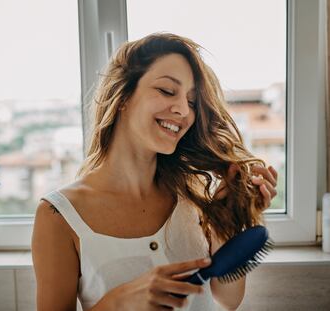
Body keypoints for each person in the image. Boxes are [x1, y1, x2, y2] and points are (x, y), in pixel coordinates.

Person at [31, 32, 278, 311]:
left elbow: (226, 299)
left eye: (192, 101)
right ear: (122, 96)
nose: (184, 110)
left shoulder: (194, 194)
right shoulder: (60, 216)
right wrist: (118, 303)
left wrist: (230, 222)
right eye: (167, 90)